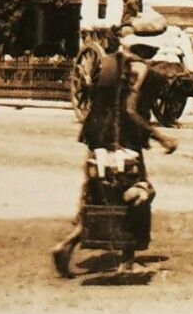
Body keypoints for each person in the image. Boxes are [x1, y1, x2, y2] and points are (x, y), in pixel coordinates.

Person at [51, 24, 178, 276]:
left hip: (97, 136)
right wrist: (161, 137)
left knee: (98, 193)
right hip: (124, 139)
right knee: (136, 191)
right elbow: (130, 110)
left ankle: (67, 244)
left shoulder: (108, 62)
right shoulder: (139, 68)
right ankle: (126, 262)